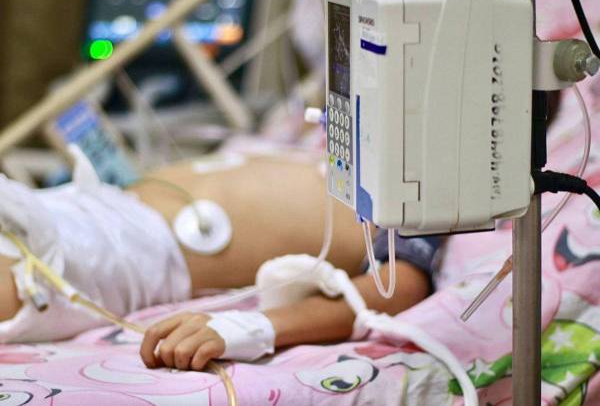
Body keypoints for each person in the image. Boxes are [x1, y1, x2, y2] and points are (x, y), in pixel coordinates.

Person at [0, 152, 434, 355]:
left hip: (120, 253)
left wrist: (255, 326)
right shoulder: (352, 132)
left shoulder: (434, 185)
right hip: (93, 206)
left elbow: (400, 287)